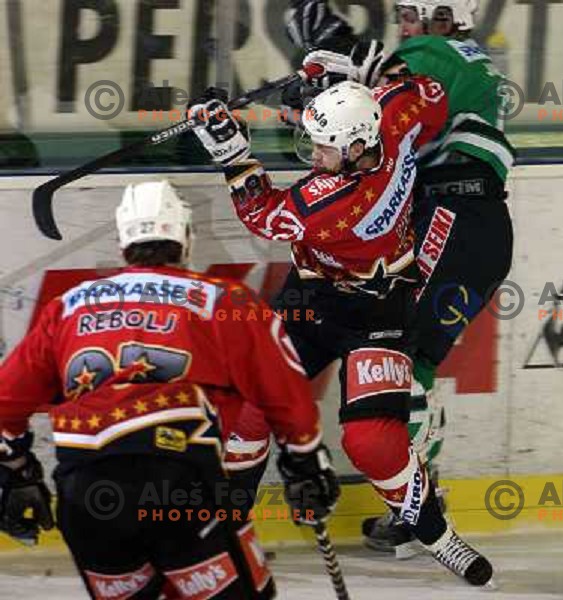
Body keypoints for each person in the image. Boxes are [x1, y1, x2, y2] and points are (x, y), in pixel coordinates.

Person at [189, 77, 493, 586]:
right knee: (250, 405)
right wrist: (331, 82)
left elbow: (262, 213)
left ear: (356, 148)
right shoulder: (391, 116)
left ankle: (437, 536)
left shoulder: (334, 203)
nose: (314, 155)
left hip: (377, 314)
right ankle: (229, 525)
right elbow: (427, 95)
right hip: (312, 299)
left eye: (324, 148)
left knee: (372, 441)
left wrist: (230, 146)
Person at [0, 180, 339, 599]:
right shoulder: (222, 300)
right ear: (185, 238)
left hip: (86, 493)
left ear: (123, 241)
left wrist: (16, 474)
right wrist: (305, 461)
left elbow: (4, 404)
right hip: (177, 480)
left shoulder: (67, 306)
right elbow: (284, 389)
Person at [285, 0, 515, 555]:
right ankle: (416, 512)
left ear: (444, 14)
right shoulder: (475, 61)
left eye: (413, 12)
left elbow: (383, 111)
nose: (405, 24)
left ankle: (418, 509)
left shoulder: (427, 53)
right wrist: (335, 72)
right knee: (416, 362)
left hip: (449, 215)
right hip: (484, 231)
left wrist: (337, 61)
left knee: (402, 359)